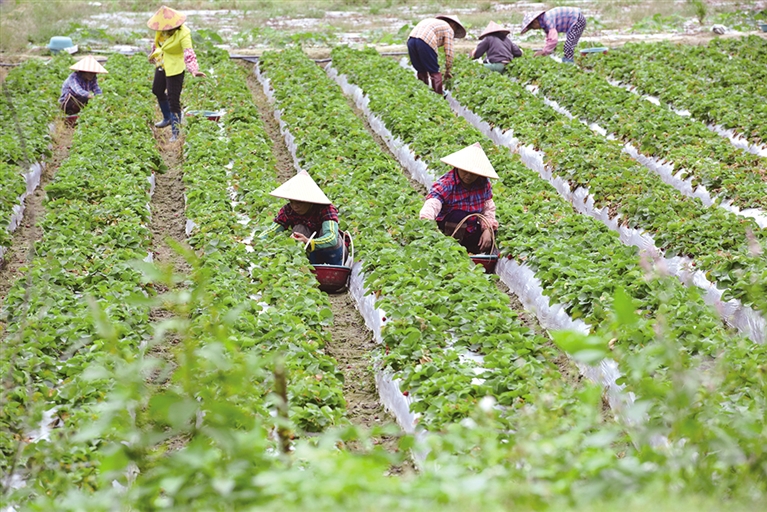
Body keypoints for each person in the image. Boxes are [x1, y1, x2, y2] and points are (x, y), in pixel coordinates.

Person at [420, 143, 499, 254]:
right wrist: (428, 225)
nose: (468, 175)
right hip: (448, 232)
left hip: (470, 229)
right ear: (457, 167)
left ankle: (473, 252)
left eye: (473, 173)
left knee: (493, 234)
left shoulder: (483, 183)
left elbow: (488, 208)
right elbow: (432, 203)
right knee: (459, 216)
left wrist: (487, 229)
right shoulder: (446, 184)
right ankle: (451, 250)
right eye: (465, 171)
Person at [260, 171, 347, 266]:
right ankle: (305, 264)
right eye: (292, 202)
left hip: (333, 254)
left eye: (299, 203)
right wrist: (258, 241)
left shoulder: (325, 209)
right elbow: (273, 230)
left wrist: (309, 242)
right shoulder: (288, 210)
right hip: (309, 256)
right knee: (299, 229)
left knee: (324, 232)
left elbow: (332, 238)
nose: (295, 207)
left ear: (310, 200)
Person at [147, 5, 206, 141]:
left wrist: (193, 69)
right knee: (157, 90)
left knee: (173, 99)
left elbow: (188, 52)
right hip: (162, 64)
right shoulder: (161, 31)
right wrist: (152, 55)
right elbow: (157, 44)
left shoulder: (183, 33)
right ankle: (167, 117)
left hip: (175, 67)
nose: (164, 29)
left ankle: (176, 130)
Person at [407, 14, 466, 95]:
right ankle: (438, 95)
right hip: (425, 41)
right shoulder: (448, 28)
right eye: (456, 28)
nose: (454, 31)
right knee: (434, 70)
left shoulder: (434, 23)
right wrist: (448, 70)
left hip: (411, 40)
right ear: (453, 24)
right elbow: (449, 51)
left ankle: (423, 93)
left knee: (421, 70)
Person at [520, 7, 587, 64]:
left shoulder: (547, 19)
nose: (535, 29)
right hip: (575, 20)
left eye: (533, 28)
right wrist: (547, 50)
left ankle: (569, 64)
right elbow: (549, 39)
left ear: (535, 22)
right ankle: (567, 62)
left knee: (568, 46)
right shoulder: (544, 22)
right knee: (567, 46)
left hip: (577, 20)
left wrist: (544, 51)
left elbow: (553, 39)